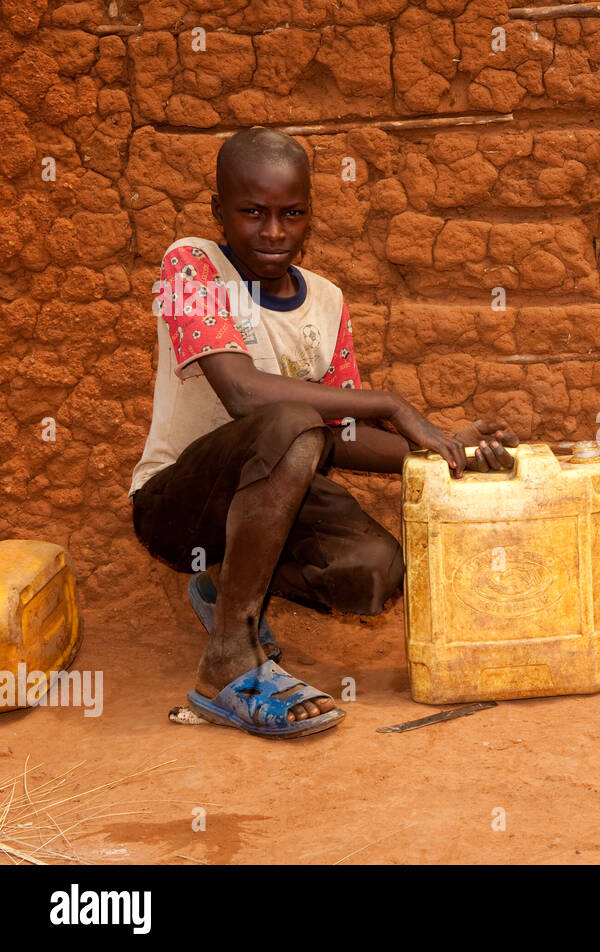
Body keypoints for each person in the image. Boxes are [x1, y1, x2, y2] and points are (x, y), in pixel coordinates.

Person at [130, 127, 516, 739]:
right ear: (218, 211)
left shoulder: (327, 302)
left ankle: (224, 584)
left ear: (311, 213)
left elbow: (338, 435)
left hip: (267, 499)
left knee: (373, 571)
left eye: (292, 213)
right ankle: (228, 659)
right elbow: (242, 391)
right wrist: (390, 402)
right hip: (177, 504)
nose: (274, 232)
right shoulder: (192, 263)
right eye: (252, 212)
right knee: (288, 423)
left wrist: (446, 449)